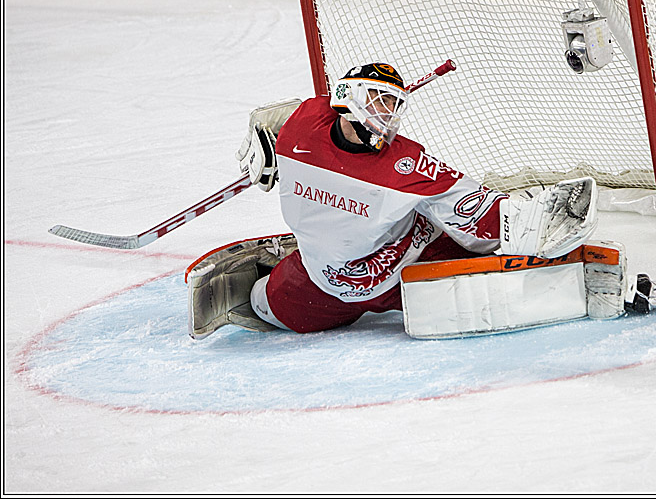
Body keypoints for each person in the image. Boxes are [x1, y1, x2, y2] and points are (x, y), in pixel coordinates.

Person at [189, 62, 508, 336]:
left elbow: (472, 206)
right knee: (264, 303)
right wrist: (265, 137)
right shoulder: (302, 127)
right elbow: (280, 118)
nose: (386, 112)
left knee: (485, 284)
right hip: (323, 283)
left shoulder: (407, 162)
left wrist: (517, 220)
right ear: (348, 97)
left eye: (392, 104)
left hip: (411, 266)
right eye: (377, 99)